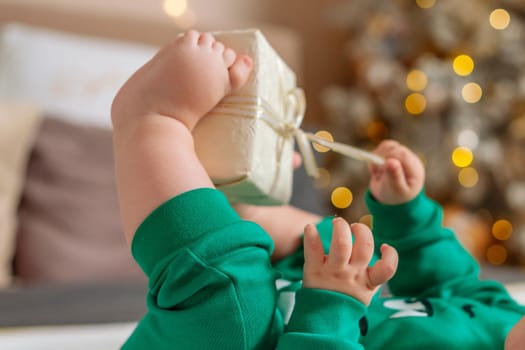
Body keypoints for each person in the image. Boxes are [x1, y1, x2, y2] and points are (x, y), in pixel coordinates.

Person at [111, 30, 525, 349]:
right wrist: (406, 212)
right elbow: (452, 283)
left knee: (235, 300)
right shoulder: (508, 317)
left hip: (293, 328)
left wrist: (333, 302)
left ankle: (151, 120)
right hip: (311, 301)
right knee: (332, 238)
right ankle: (243, 211)